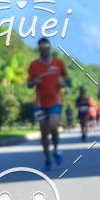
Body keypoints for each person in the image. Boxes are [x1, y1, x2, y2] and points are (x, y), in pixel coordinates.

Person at [27, 39, 71, 170]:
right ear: (38, 49)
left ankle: (56, 150)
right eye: (41, 46)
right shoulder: (33, 65)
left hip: (55, 101)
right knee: (43, 133)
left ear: (49, 48)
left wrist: (64, 83)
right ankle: (47, 160)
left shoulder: (58, 63)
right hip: (40, 104)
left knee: (53, 126)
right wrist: (35, 81)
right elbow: (29, 84)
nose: (43, 48)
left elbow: (67, 79)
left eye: (46, 46)